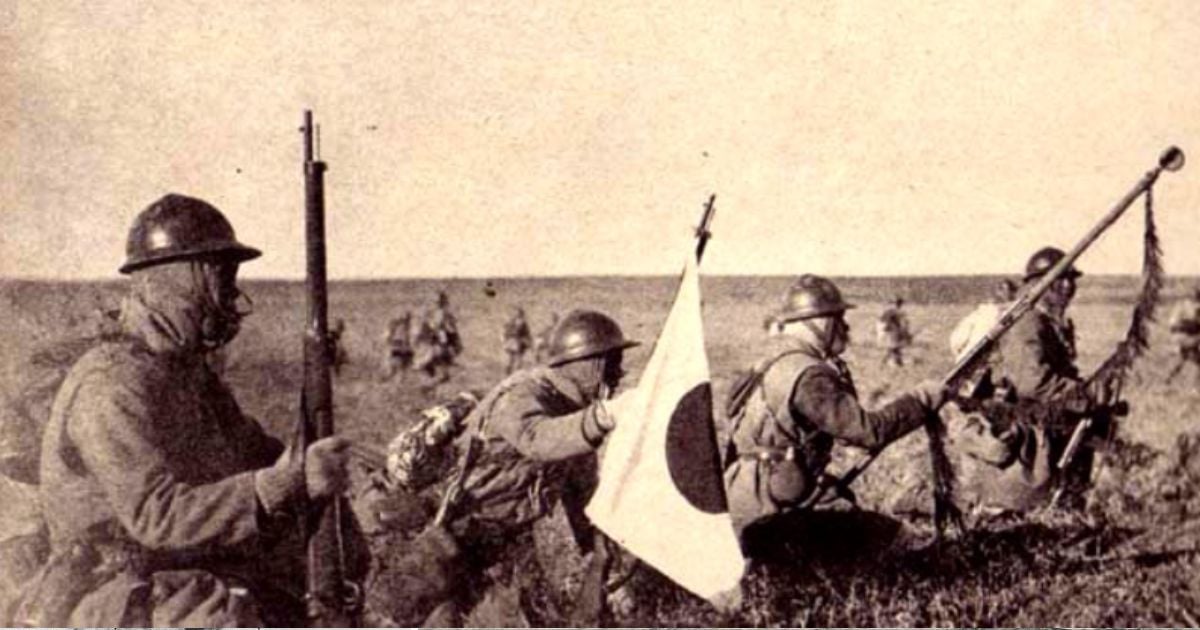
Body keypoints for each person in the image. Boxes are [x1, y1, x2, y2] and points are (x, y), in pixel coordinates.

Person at [16, 194, 358, 627]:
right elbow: (156, 516)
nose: (230, 294)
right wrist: (284, 482)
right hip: (117, 584)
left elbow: (252, 452)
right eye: (218, 277)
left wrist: (305, 447)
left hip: (183, 570)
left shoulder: (182, 371)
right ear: (171, 282)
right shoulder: (111, 383)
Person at [367, 309, 637, 627]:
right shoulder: (526, 394)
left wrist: (610, 573)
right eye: (613, 364)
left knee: (535, 619)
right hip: (448, 529)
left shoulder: (575, 425)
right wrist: (603, 417)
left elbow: (584, 509)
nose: (618, 375)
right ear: (592, 365)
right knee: (408, 617)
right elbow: (535, 438)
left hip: (507, 541)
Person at [723, 275, 948, 559]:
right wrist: (922, 400)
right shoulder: (808, 374)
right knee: (893, 540)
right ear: (821, 322)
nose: (846, 327)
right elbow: (869, 433)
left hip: (743, 503)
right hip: (772, 511)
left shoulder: (766, 361)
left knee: (842, 505)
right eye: (839, 318)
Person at [953, 247, 1122, 515]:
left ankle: (1066, 513)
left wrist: (1088, 391)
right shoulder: (1027, 323)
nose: (1068, 287)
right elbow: (1034, 384)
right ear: (1038, 283)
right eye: (1059, 280)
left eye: (1071, 280)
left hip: (1035, 416)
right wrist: (1086, 394)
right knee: (1015, 503)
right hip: (1019, 422)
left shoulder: (1048, 321)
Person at [949, 278, 1018, 362]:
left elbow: (956, 341)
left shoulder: (978, 313)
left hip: (967, 360)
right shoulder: (1005, 313)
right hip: (981, 360)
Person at [413, 291, 462, 384]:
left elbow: (448, 328)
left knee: (436, 351)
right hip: (435, 339)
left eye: (437, 301)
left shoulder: (444, 314)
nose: (435, 303)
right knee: (432, 353)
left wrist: (441, 329)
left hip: (441, 339)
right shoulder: (433, 314)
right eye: (435, 302)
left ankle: (433, 369)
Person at [1166, 286, 1200, 386]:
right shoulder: (1195, 307)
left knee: (1182, 358)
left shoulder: (1181, 305)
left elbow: (1171, 324)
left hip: (1179, 337)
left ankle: (1168, 379)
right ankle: (1195, 386)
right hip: (1187, 337)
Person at [876, 296, 913, 368]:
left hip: (896, 331)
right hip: (893, 331)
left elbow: (902, 322)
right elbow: (886, 320)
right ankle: (887, 362)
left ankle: (897, 362)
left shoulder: (895, 311)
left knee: (895, 347)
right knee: (894, 347)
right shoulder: (894, 311)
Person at [380, 312, 414, 381]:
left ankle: (392, 377)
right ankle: (391, 376)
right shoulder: (401, 327)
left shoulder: (406, 327)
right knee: (398, 367)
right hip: (400, 347)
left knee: (400, 367)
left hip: (401, 347)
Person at [501, 307, 533, 375]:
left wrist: (505, 340)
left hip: (510, 342)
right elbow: (527, 333)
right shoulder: (522, 322)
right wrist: (528, 342)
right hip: (516, 342)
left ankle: (508, 373)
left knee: (510, 359)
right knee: (518, 358)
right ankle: (514, 373)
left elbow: (505, 331)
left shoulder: (511, 321)